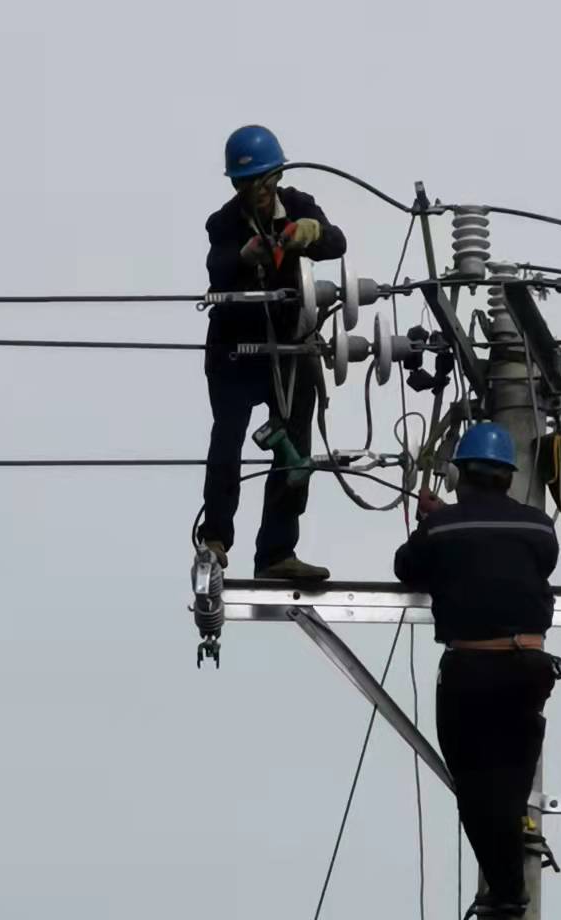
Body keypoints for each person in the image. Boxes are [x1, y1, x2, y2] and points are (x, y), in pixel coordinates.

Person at [393, 422, 561, 919]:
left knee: (475, 789)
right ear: (508, 477)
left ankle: (507, 889)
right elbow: (516, 558)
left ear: (459, 476)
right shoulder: (539, 527)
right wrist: (449, 521)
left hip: (471, 668)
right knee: (510, 783)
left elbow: (407, 568)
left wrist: (432, 522)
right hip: (530, 669)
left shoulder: (442, 529)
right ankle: (510, 867)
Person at [199, 125, 347, 582]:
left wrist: (311, 233)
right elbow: (218, 268)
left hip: (288, 351)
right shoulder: (224, 223)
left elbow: (336, 243)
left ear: (278, 176)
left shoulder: (299, 205)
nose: (256, 191)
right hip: (235, 353)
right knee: (228, 440)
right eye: (246, 183)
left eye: (262, 181)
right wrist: (246, 256)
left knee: (295, 450)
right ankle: (215, 539)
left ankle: (277, 553)